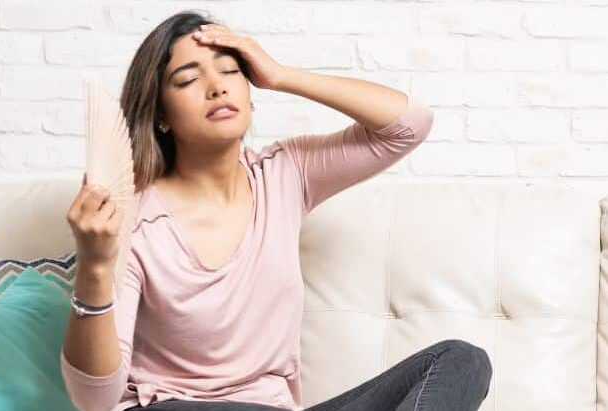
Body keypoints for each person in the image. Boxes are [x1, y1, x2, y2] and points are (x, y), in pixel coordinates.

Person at [61, 11, 490, 411]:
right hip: (175, 406)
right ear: (160, 115)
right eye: (189, 79)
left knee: (461, 361)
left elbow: (409, 123)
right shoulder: (132, 217)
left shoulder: (284, 173)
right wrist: (96, 267)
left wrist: (282, 75)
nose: (218, 86)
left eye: (231, 71)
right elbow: (94, 399)